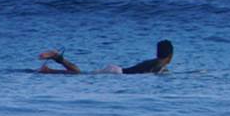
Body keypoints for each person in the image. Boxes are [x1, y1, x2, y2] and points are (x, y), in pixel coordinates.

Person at [39, 40, 174, 75]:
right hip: (117, 73)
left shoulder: (152, 61)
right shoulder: (159, 65)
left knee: (81, 73)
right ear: (171, 55)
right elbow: (156, 71)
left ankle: (53, 65)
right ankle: (54, 63)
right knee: (79, 74)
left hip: (116, 70)